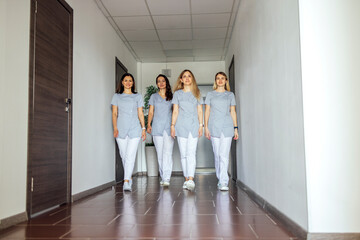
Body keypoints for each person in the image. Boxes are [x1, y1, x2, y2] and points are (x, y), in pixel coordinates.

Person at [111, 73, 146, 192]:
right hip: (120, 129)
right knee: (123, 155)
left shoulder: (137, 96)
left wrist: (143, 128)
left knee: (130, 155)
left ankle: (126, 182)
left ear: (133, 83)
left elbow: (140, 113)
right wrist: (115, 128)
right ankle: (129, 176)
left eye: (130, 80)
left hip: (135, 129)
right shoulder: (116, 96)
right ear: (122, 82)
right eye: (126, 80)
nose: (128, 83)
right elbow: (115, 113)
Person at [204, 72, 238, 191]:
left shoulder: (230, 95)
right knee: (217, 154)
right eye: (218, 78)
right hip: (214, 127)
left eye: (222, 78)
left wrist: (235, 128)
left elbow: (233, 112)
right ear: (215, 81)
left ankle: (224, 181)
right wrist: (206, 127)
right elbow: (207, 111)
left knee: (224, 155)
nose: (220, 80)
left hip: (227, 127)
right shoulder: (210, 94)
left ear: (226, 81)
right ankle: (220, 178)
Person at [171, 69, 203, 191]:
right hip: (180, 126)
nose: (187, 78)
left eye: (189, 76)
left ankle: (191, 179)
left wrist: (201, 125)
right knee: (183, 154)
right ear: (181, 79)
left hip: (194, 126)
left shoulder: (197, 93)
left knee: (191, 153)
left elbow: (200, 110)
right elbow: (175, 111)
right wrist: (172, 126)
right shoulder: (177, 94)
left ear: (192, 79)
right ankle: (186, 179)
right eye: (184, 76)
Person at [147, 74, 174, 187]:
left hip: (169, 127)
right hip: (157, 127)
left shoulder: (172, 96)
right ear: (157, 84)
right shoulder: (154, 96)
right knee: (160, 154)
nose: (161, 83)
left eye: (163, 81)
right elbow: (151, 112)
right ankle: (163, 176)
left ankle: (167, 177)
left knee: (168, 153)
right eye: (159, 81)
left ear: (166, 82)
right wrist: (148, 124)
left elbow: (176, 112)